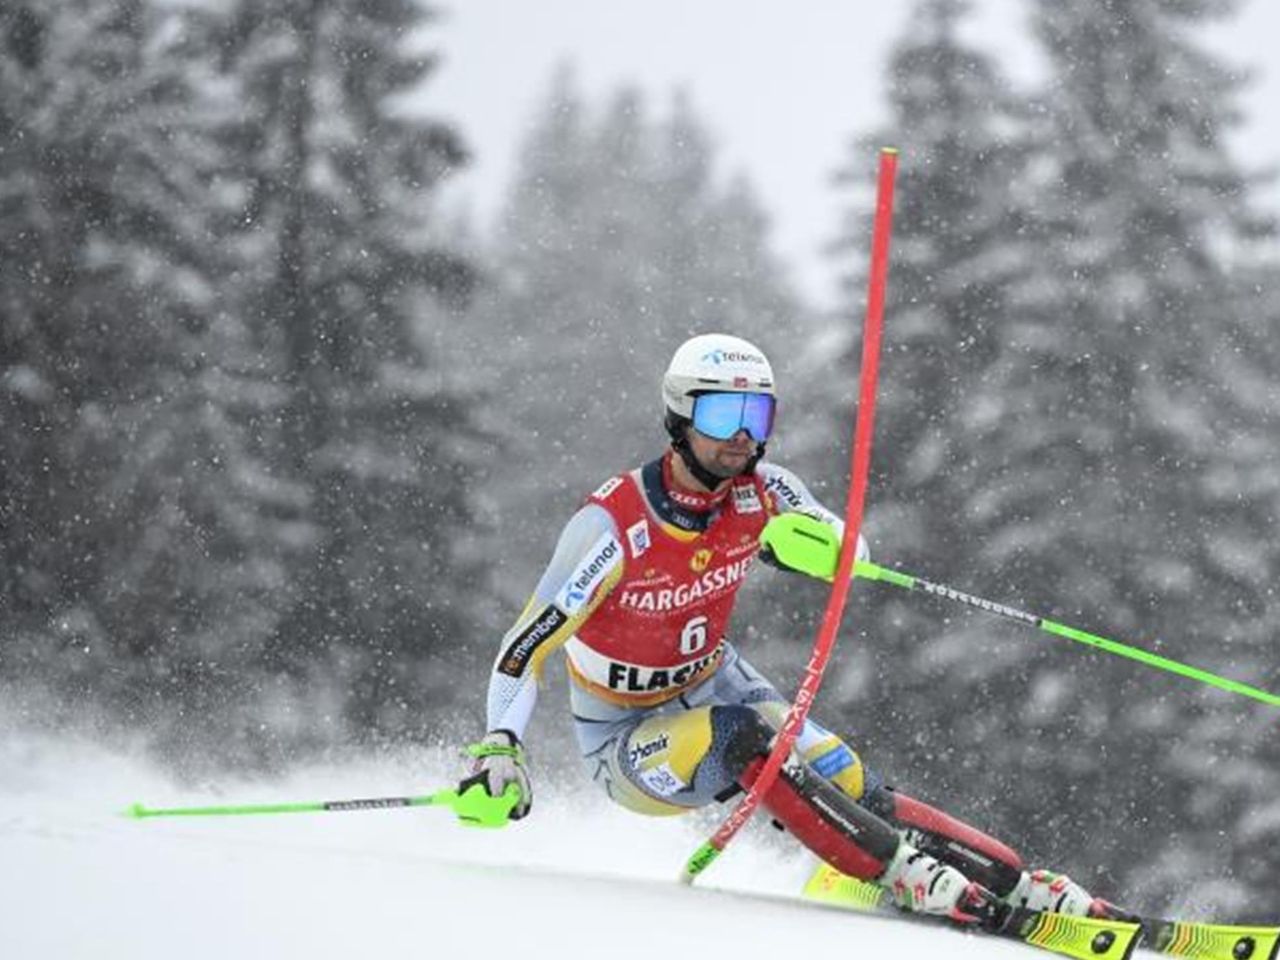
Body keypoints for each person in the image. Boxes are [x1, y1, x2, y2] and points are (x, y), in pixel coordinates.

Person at [458, 332, 1122, 928]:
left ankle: (1018, 881)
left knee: (851, 781)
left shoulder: (763, 491)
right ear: (679, 416)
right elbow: (525, 647)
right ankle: (897, 871)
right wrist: (500, 747)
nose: (742, 437)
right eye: (723, 416)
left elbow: (845, 546)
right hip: (629, 740)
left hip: (720, 680)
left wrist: (825, 548)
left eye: (758, 417)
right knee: (746, 739)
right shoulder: (611, 529)